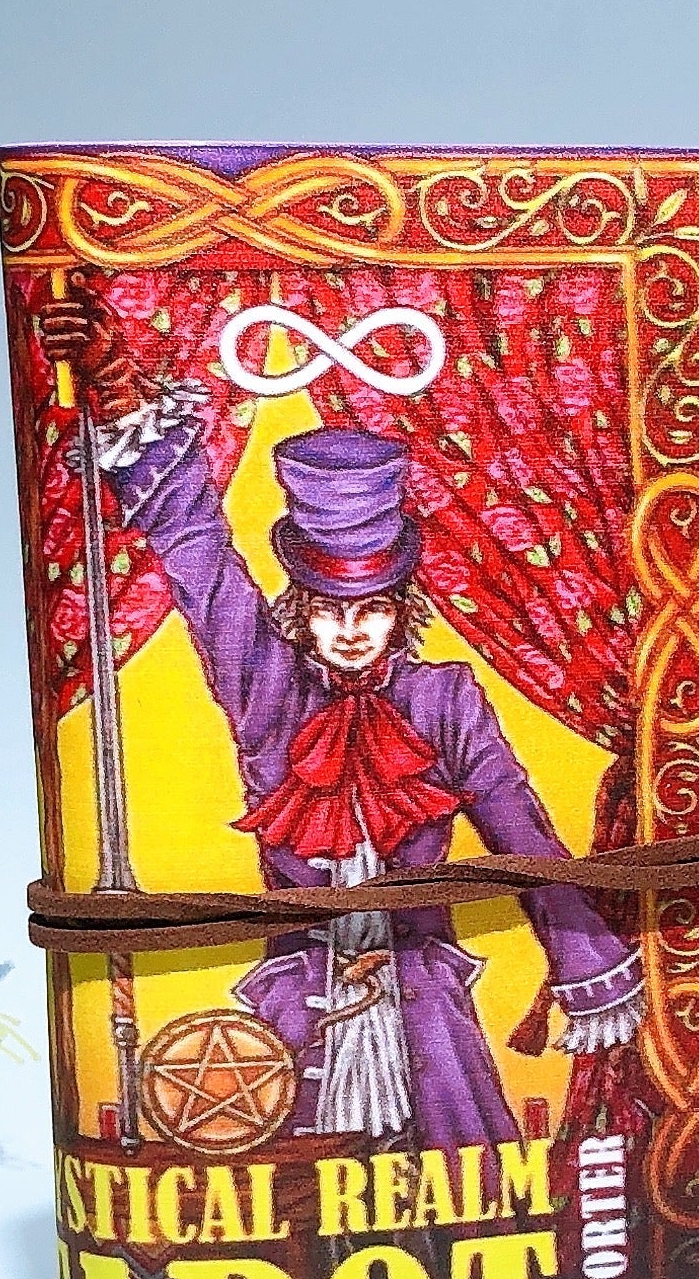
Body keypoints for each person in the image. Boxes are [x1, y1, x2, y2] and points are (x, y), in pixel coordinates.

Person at [37, 287, 644, 1153]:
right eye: (330, 609)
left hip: (426, 1008)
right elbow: (202, 558)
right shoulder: (268, 687)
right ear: (302, 609)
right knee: (291, 1186)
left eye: (372, 609)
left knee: (468, 1180)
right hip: (297, 1017)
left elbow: (520, 833)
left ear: (402, 610)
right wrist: (120, 389)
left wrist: (582, 959)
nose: (351, 629)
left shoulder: (444, 698)